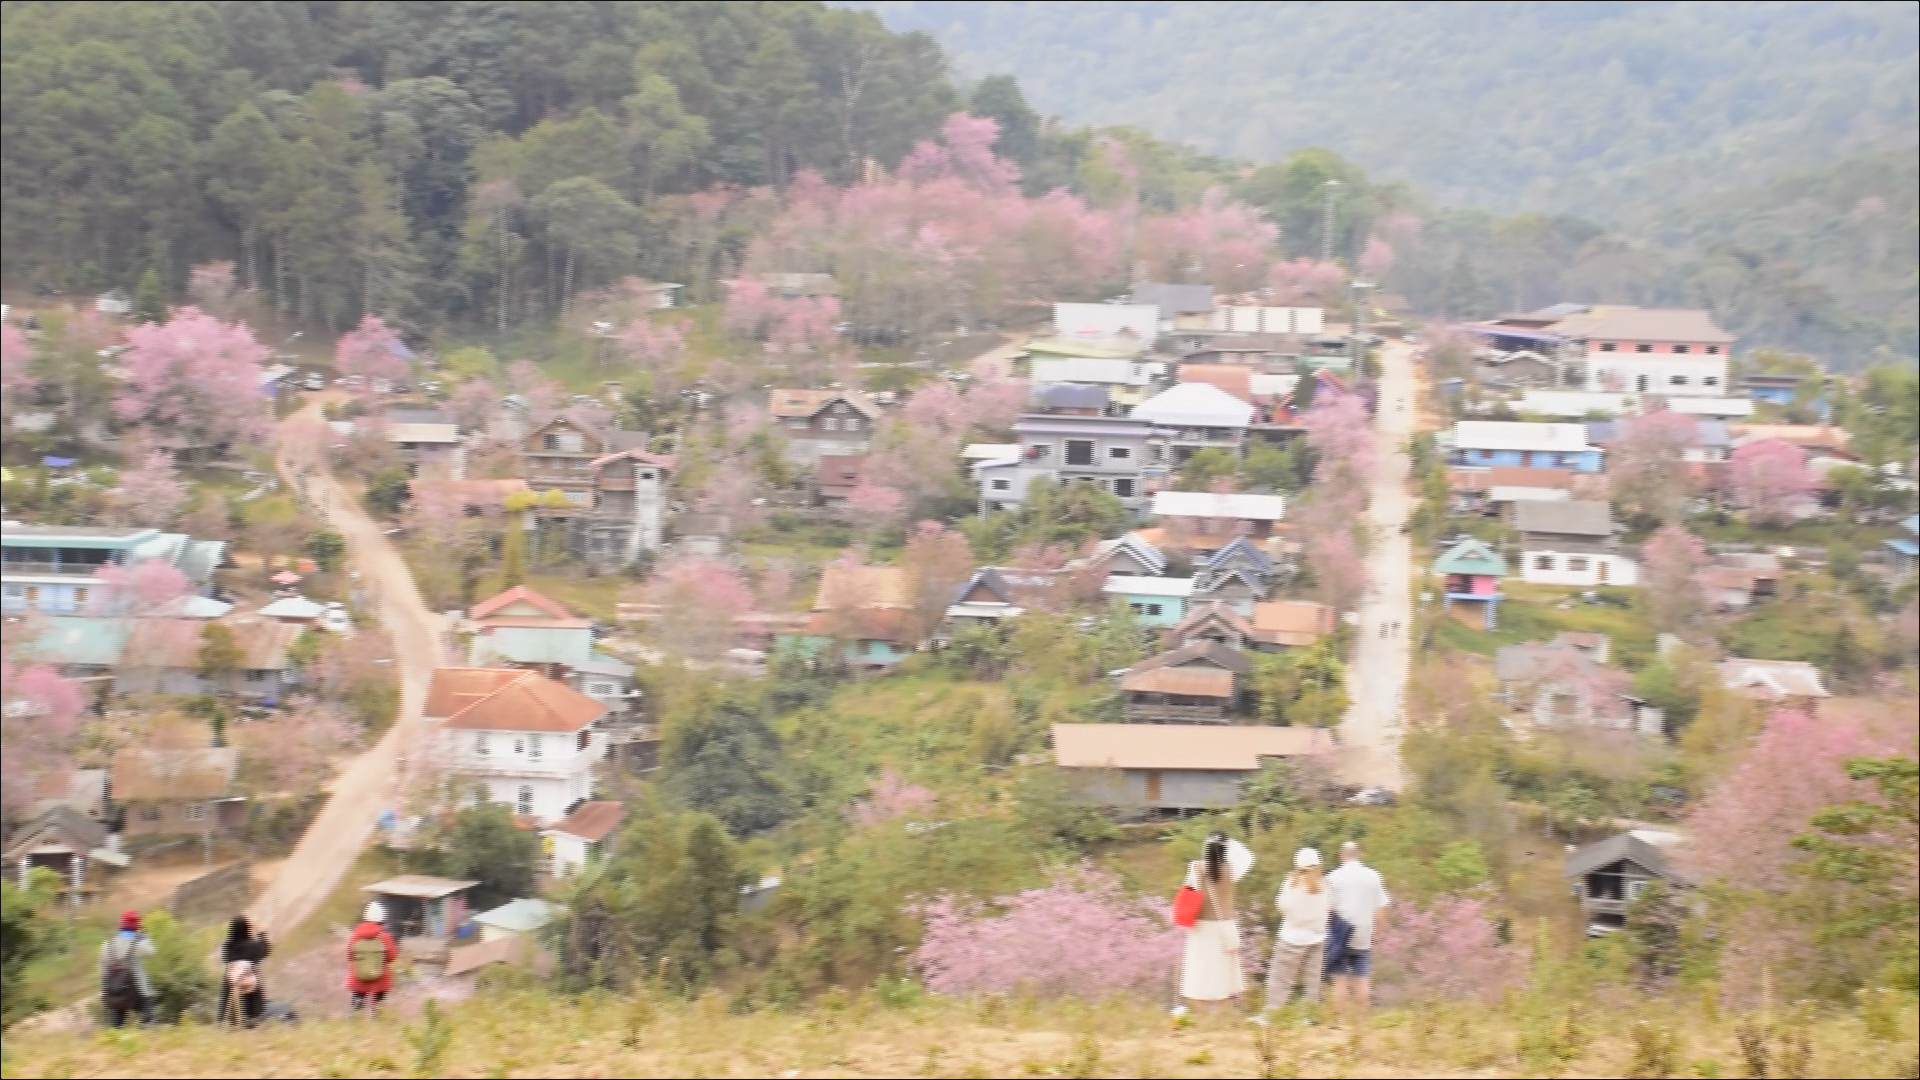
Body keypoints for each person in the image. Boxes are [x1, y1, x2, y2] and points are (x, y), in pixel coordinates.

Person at [1177, 833, 1247, 1014]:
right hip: (1225, 927)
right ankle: (1218, 1017)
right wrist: (1225, 842)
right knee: (1223, 977)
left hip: (1203, 929)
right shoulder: (1232, 869)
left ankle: (1203, 1017)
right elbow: (1247, 855)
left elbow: (1188, 891)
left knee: (1198, 977)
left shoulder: (1196, 868)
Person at [1324, 840, 1391, 1023]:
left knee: (1340, 979)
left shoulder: (1333, 877)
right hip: (1363, 932)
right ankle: (1362, 1020)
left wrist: (1328, 933)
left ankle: (1340, 1020)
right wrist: (1380, 930)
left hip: (1340, 933)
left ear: (1341, 855)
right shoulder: (1373, 876)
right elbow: (1382, 906)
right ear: (1360, 854)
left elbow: (1328, 909)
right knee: (1362, 977)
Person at [1265, 847, 1330, 1016]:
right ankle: (1309, 1016)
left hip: (1291, 937)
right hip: (1316, 937)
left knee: (1281, 980)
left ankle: (1273, 1014)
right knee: (1313, 981)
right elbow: (1329, 908)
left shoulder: (1292, 884)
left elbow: (1282, 906)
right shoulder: (1325, 884)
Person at [99, 910, 155, 1027]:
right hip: (138, 991)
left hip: (114, 991)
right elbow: (152, 952)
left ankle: (113, 1040)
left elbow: (102, 967)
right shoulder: (137, 944)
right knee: (147, 1020)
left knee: (116, 1023)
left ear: (121, 927)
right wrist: (144, 937)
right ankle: (150, 1038)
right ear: (137, 927)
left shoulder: (107, 944)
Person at [218, 916, 272, 1027]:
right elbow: (265, 950)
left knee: (230, 1004)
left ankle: (229, 1024)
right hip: (249, 977)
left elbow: (225, 959)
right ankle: (252, 1025)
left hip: (231, 978)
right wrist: (261, 933)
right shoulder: (251, 945)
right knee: (252, 1005)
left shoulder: (227, 945)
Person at [347, 901, 398, 1016]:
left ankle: (355, 1027)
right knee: (379, 1010)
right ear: (381, 919)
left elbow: (350, 955)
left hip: (359, 977)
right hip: (380, 978)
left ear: (365, 918)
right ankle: (377, 1026)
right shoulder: (384, 936)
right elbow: (392, 956)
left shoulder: (355, 935)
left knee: (356, 1009)